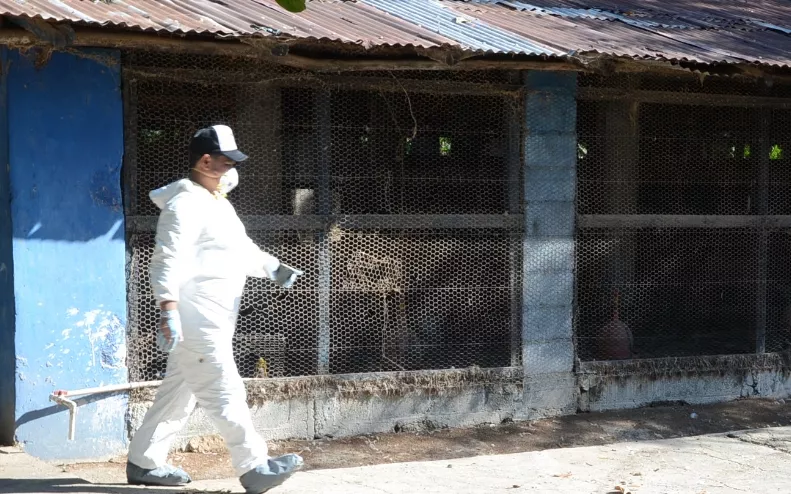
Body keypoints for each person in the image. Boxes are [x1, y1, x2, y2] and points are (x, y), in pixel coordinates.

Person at [126, 125, 304, 493]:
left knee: (178, 393)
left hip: (216, 316)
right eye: (225, 163)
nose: (231, 171)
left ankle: (144, 461)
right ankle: (254, 466)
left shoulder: (215, 202)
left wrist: (272, 268)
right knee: (225, 390)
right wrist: (168, 308)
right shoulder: (185, 204)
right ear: (206, 161)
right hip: (196, 318)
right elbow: (165, 260)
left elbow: (238, 249)